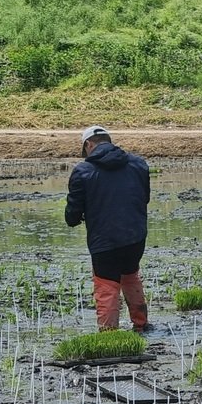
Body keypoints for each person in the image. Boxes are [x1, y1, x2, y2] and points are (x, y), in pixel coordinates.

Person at [64, 125, 152, 332]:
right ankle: (141, 324)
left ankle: (109, 333)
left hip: (104, 240)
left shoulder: (83, 171)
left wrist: (77, 217)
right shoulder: (139, 164)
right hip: (135, 236)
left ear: (89, 145)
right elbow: (145, 198)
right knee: (130, 275)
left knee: (106, 285)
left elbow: (72, 214)